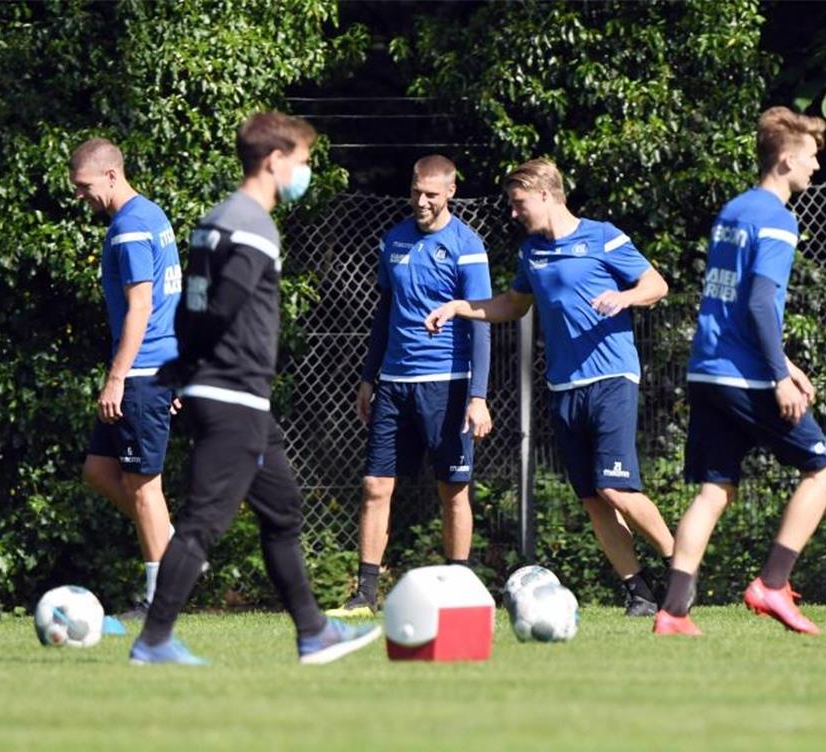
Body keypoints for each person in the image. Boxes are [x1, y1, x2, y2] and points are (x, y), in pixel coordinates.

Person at [130, 112, 381, 665]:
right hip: (235, 395)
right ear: (275, 161)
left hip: (235, 398)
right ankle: (153, 640)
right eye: (304, 162)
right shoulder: (255, 226)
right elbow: (221, 308)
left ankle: (313, 631)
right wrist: (203, 369)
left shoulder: (214, 220)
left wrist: (185, 365)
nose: (305, 172)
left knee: (283, 510)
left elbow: (189, 309)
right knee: (202, 521)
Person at [426, 158, 676, 616]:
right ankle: (638, 591)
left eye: (519, 203)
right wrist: (460, 306)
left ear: (545, 194)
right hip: (564, 388)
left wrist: (624, 296)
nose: (514, 213)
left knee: (617, 487)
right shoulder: (531, 253)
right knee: (592, 498)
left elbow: (655, 284)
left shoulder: (603, 236)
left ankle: (681, 569)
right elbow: (512, 305)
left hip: (612, 377)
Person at [653, 107, 826, 636]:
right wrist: (778, 377)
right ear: (787, 158)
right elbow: (760, 304)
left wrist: (787, 363)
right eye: (810, 157)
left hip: (710, 370)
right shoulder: (779, 219)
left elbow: (736, 306)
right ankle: (774, 583)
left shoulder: (734, 211)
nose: (815, 168)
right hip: (746, 375)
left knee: (715, 490)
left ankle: (671, 613)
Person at [330, 154, 493, 618]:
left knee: (453, 490)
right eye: (416, 191)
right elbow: (384, 312)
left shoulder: (467, 245)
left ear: (450, 193)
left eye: (431, 194)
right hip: (394, 385)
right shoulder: (394, 239)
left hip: (447, 385)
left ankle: (459, 588)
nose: (421, 201)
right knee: (375, 485)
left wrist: (477, 397)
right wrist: (368, 377)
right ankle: (365, 594)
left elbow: (481, 322)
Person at [69, 138, 182, 620]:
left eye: (85, 187)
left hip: (139, 372)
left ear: (111, 175)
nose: (81, 197)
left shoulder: (132, 226)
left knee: (143, 486)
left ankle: (161, 596)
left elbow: (142, 306)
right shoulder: (149, 216)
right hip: (152, 368)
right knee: (99, 470)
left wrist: (117, 377)